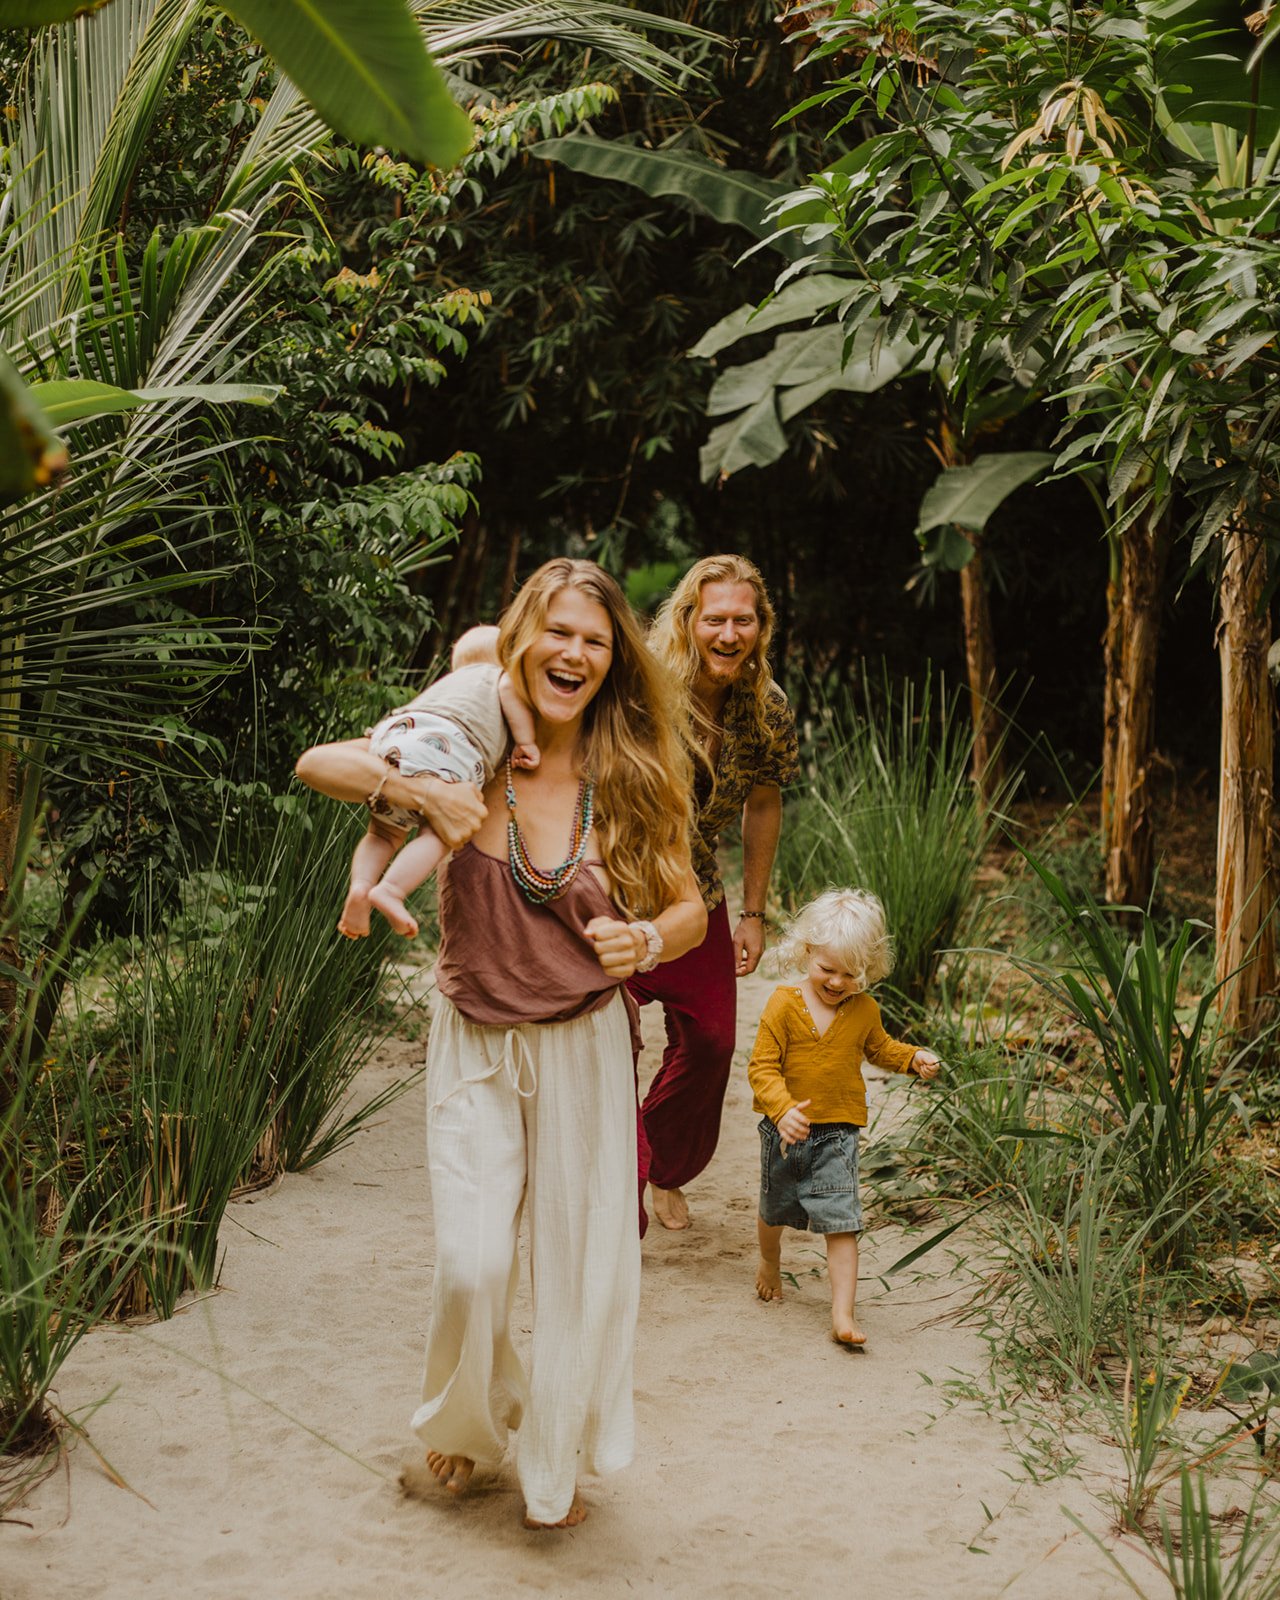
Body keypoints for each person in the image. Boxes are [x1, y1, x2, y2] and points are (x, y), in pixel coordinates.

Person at [295, 558, 706, 1530]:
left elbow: (688, 908)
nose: (572, 652)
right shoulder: (469, 741)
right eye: (555, 632)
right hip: (474, 1041)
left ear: (612, 661)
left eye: (593, 640)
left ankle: (552, 1452)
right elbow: (320, 763)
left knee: (576, 1269)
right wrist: (420, 792)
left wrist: (642, 939)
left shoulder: (633, 774)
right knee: (472, 1263)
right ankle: (468, 1422)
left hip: (580, 1049)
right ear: (519, 637)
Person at [631, 554, 799, 1231]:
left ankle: (660, 1167)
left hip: (696, 894)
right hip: (614, 888)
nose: (730, 634)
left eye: (744, 620)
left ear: (762, 626)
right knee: (609, 1042)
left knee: (711, 1042)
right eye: (716, 619)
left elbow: (764, 805)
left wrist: (753, 913)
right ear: (689, 620)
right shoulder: (642, 691)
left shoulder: (767, 709)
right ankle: (619, 1179)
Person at [747, 888, 941, 1348]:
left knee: (843, 1220)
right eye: (826, 969)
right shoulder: (782, 1004)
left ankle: (842, 1314)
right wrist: (782, 1107)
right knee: (774, 1210)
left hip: (838, 1133)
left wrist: (913, 1059)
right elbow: (761, 1066)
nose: (836, 982)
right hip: (785, 1132)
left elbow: (880, 1048)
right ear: (806, 952)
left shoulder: (864, 1010)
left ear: (868, 970)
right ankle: (770, 1261)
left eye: (850, 974)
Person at [338, 625, 539, 940]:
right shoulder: (497, 676)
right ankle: (390, 889)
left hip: (394, 738)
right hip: (446, 749)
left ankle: (361, 886)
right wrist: (526, 741)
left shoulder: (447, 684)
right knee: (438, 832)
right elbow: (508, 692)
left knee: (382, 833)